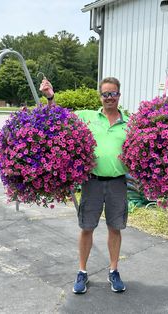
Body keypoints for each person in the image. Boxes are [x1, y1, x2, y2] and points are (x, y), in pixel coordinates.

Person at [40, 77, 129, 294]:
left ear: (119, 95)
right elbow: (60, 118)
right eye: (105, 94)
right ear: (100, 96)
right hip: (92, 182)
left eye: (113, 93)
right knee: (87, 228)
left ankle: (113, 271)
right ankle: (82, 272)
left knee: (114, 228)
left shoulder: (129, 123)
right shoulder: (88, 117)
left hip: (118, 183)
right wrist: (50, 97)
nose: (109, 97)